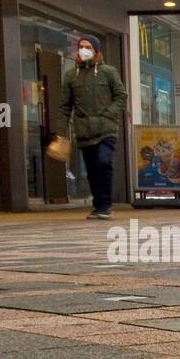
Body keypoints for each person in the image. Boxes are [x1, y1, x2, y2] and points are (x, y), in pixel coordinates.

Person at [60, 35, 127, 220]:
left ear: (96, 51)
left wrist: (108, 113)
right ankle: (98, 205)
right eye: (81, 46)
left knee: (103, 162)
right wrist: (61, 131)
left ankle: (106, 204)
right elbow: (65, 105)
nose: (83, 50)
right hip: (84, 130)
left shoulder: (108, 72)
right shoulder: (71, 75)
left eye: (88, 47)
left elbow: (121, 96)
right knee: (91, 169)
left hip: (106, 129)